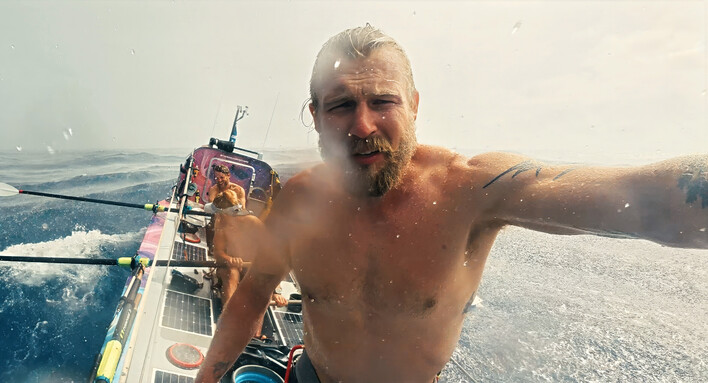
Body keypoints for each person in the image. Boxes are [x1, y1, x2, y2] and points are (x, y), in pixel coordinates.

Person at [195, 25, 707, 383]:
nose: (363, 125)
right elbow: (251, 295)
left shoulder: (472, 192)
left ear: (414, 105)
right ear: (315, 114)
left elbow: (642, 199)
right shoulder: (300, 200)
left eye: (383, 101)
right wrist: (207, 380)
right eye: (341, 105)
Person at [210, 188, 287, 338]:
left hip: (254, 267)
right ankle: (229, 321)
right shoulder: (222, 226)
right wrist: (229, 259)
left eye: (220, 212)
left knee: (262, 284)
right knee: (231, 273)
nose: (218, 215)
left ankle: (254, 334)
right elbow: (218, 253)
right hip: (231, 267)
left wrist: (275, 290)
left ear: (228, 213)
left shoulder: (253, 223)